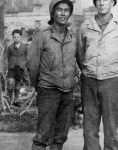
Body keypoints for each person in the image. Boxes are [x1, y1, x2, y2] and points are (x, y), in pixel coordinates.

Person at [77, 0, 118, 150]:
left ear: (112, 2)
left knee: (111, 125)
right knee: (90, 125)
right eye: (98, 0)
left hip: (112, 81)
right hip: (89, 81)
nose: (102, 3)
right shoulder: (85, 27)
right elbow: (80, 54)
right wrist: (89, 71)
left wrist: (115, 73)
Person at [26, 0, 78, 149]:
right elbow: (32, 64)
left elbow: (75, 62)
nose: (63, 13)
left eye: (66, 10)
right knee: (43, 135)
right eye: (59, 10)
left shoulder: (72, 38)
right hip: (48, 91)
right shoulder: (42, 35)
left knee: (61, 135)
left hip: (67, 92)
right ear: (52, 12)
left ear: (70, 13)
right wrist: (41, 85)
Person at [7, 29, 28, 106]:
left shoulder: (25, 47)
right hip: (12, 67)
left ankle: (16, 100)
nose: (16, 38)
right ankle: (10, 99)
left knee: (18, 84)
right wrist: (11, 63)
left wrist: (23, 65)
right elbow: (8, 57)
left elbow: (27, 57)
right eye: (14, 37)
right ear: (13, 38)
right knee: (10, 82)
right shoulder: (10, 47)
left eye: (18, 37)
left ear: (21, 37)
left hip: (20, 67)